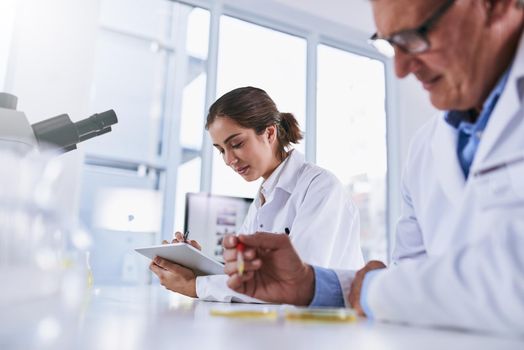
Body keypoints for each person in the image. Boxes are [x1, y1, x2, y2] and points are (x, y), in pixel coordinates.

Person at [222, 0, 524, 334]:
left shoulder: (321, 185)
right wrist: (311, 284)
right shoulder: (426, 148)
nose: (402, 68)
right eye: (392, 43)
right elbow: (410, 282)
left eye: (416, 34)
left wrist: (374, 290)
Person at [150, 86, 364, 302]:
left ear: (270, 133)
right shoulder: (263, 197)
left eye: (237, 144)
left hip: (332, 328)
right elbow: (246, 277)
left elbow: (292, 283)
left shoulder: (320, 187)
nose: (228, 159)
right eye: (221, 150)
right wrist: (195, 268)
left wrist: (196, 286)